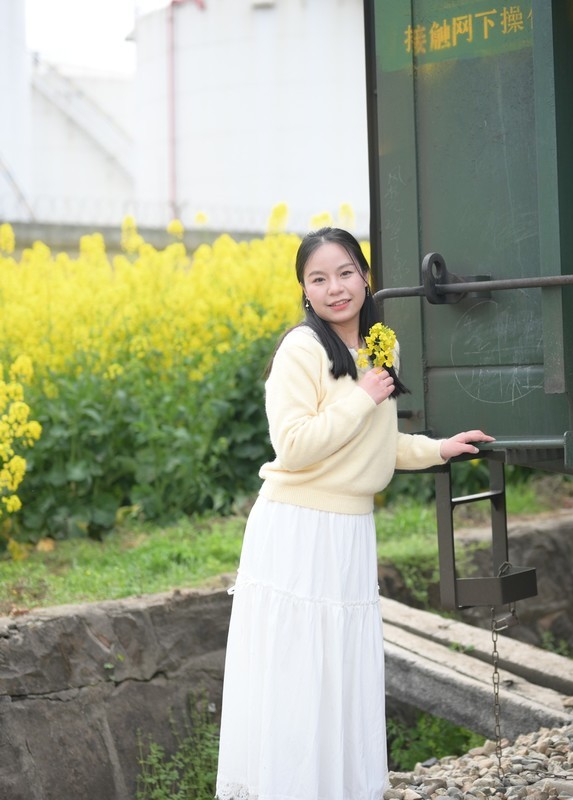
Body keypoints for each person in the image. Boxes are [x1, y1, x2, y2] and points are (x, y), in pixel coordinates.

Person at [215, 227, 494, 800]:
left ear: (365, 276)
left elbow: (376, 444)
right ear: (305, 290)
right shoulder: (301, 350)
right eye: (318, 278)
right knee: (297, 679)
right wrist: (361, 394)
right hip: (297, 530)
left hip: (348, 532)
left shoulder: (379, 344)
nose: (335, 288)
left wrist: (438, 449)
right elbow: (294, 445)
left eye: (345, 273)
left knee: (338, 677)